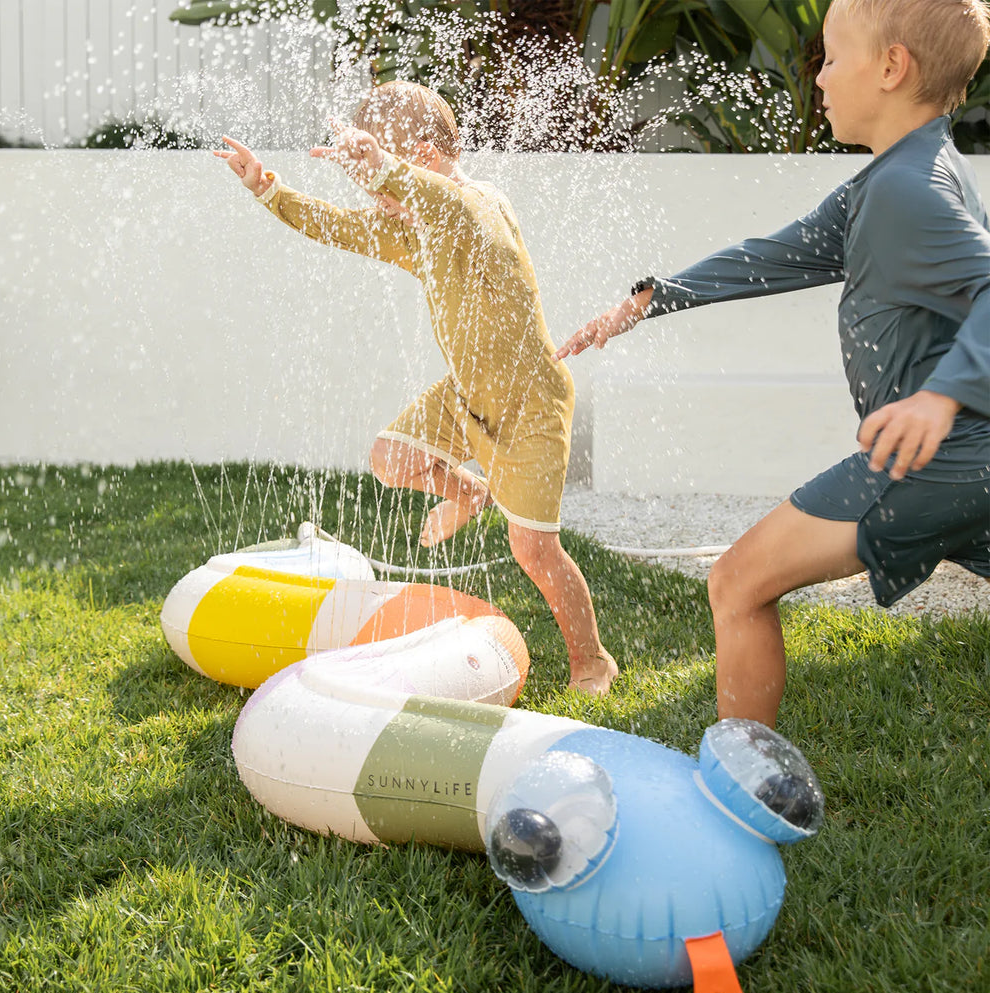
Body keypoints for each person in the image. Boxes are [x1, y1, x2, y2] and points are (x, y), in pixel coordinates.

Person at [555, 0, 990, 725]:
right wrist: (653, 298)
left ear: (891, 67)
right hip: (962, 455)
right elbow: (777, 255)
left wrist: (938, 396)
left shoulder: (910, 192)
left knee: (736, 582)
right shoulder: (896, 177)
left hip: (938, 456)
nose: (817, 79)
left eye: (831, 56)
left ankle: (743, 784)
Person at [215, 81, 618, 694]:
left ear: (425, 158)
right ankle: (469, 492)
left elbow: (451, 206)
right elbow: (337, 227)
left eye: (376, 179)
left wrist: (383, 169)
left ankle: (591, 660)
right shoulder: (415, 231)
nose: (372, 196)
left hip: (530, 401)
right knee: (390, 456)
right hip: (466, 396)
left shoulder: (478, 205)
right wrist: (265, 187)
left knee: (534, 553)